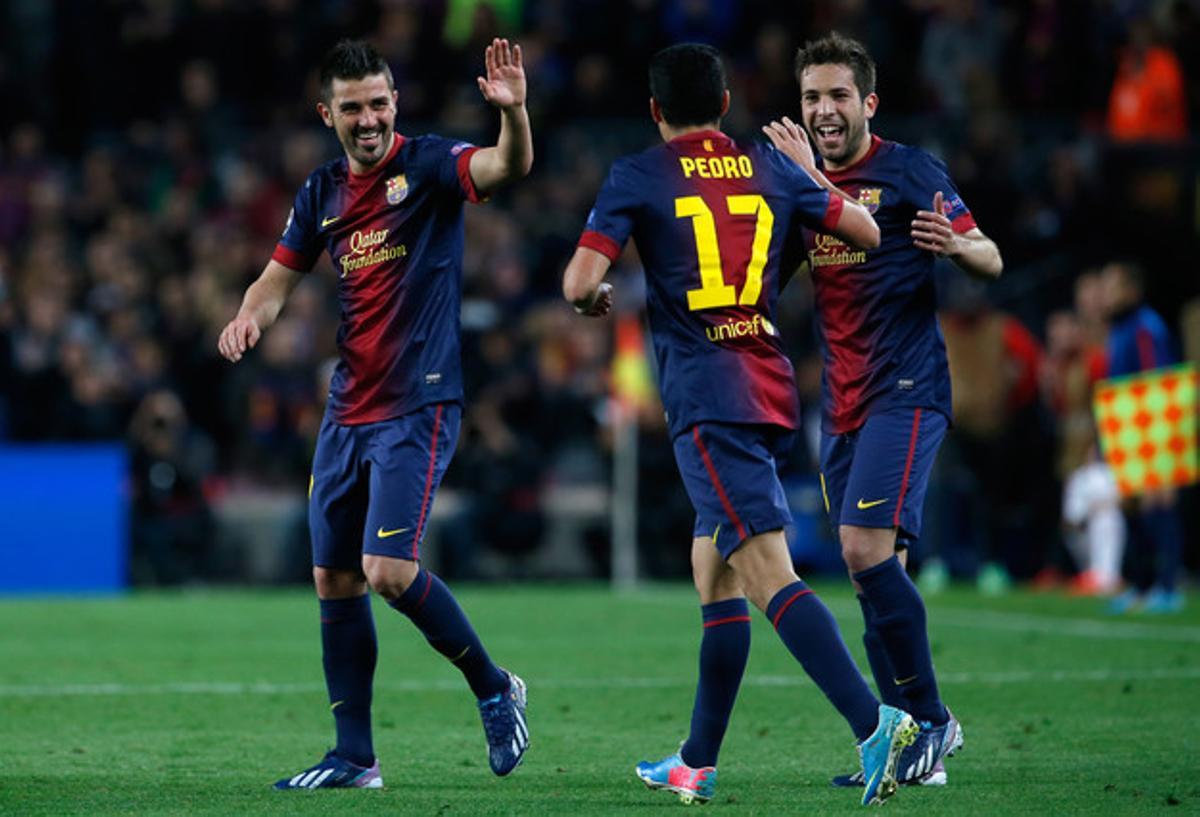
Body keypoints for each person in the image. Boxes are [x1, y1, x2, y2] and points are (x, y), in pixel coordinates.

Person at [563, 43, 917, 808]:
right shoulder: (772, 165)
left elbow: (579, 281)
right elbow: (867, 232)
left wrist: (592, 298)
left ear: (655, 110)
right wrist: (811, 176)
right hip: (767, 386)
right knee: (714, 570)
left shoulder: (637, 174)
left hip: (707, 400)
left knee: (765, 573)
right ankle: (697, 759)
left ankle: (874, 721)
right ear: (726, 104)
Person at [217, 38, 533, 789]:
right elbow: (274, 281)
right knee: (334, 577)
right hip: (347, 408)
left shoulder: (428, 165)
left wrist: (515, 115)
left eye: (379, 104)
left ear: (396, 103)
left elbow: (505, 167)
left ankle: (495, 687)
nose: (368, 119)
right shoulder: (320, 193)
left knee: (387, 569)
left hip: (417, 402)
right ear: (326, 113)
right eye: (353, 107)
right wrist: (249, 317)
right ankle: (355, 757)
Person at [763, 32, 1003, 787]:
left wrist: (958, 249)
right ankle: (909, 755)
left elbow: (989, 254)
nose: (824, 110)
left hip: (906, 388)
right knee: (873, 575)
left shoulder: (908, 169)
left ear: (868, 102)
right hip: (842, 403)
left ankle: (933, 720)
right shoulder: (801, 187)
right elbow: (765, 278)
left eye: (838, 95)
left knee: (863, 550)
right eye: (811, 97)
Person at [1100, 260, 1185, 614]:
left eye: (1113, 287)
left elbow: (1158, 379)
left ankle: (1169, 587)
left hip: (1151, 421)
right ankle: (1141, 585)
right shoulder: (1119, 329)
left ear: (1132, 291)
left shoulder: (1146, 327)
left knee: (1158, 503)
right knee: (1131, 507)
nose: (1106, 295)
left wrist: (1163, 439)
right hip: (1124, 421)